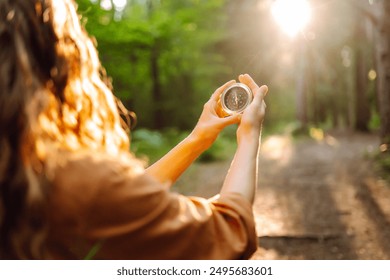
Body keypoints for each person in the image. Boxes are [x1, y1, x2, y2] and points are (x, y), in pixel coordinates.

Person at [0, 0, 268, 260]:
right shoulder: (72, 180)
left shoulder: (23, 172)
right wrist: (248, 137)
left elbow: (118, 205)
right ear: (53, 55)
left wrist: (198, 138)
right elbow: (231, 233)